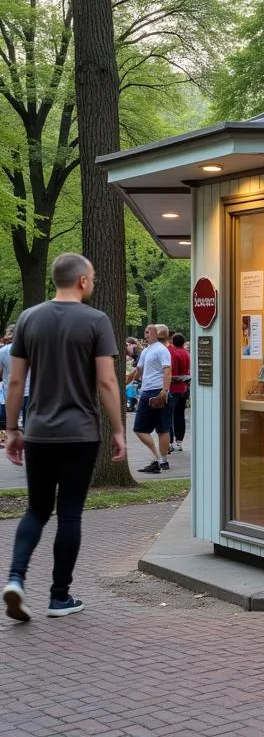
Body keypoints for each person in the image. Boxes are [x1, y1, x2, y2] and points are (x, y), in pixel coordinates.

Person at [2, 253, 126, 622]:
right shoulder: (96, 321)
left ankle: (15, 579)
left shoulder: (28, 319)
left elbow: (15, 381)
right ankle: (59, 597)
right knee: (69, 514)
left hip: (39, 432)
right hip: (80, 433)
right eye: (94, 278)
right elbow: (106, 380)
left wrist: (12, 429)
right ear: (83, 281)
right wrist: (118, 429)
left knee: (36, 510)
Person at [131, 323, 172, 473]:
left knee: (159, 429)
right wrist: (129, 381)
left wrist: (164, 390)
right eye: (146, 332)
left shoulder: (162, 350)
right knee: (143, 429)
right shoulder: (146, 351)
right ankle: (159, 459)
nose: (146, 335)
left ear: (157, 333)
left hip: (155, 391)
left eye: (149, 332)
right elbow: (138, 372)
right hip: (147, 390)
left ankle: (161, 460)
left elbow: (167, 371)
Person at [168, 333, 191, 452]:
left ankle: (170, 442)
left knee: (169, 415)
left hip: (174, 388)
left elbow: (173, 374)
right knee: (180, 415)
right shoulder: (186, 353)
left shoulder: (173, 353)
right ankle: (179, 442)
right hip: (184, 388)